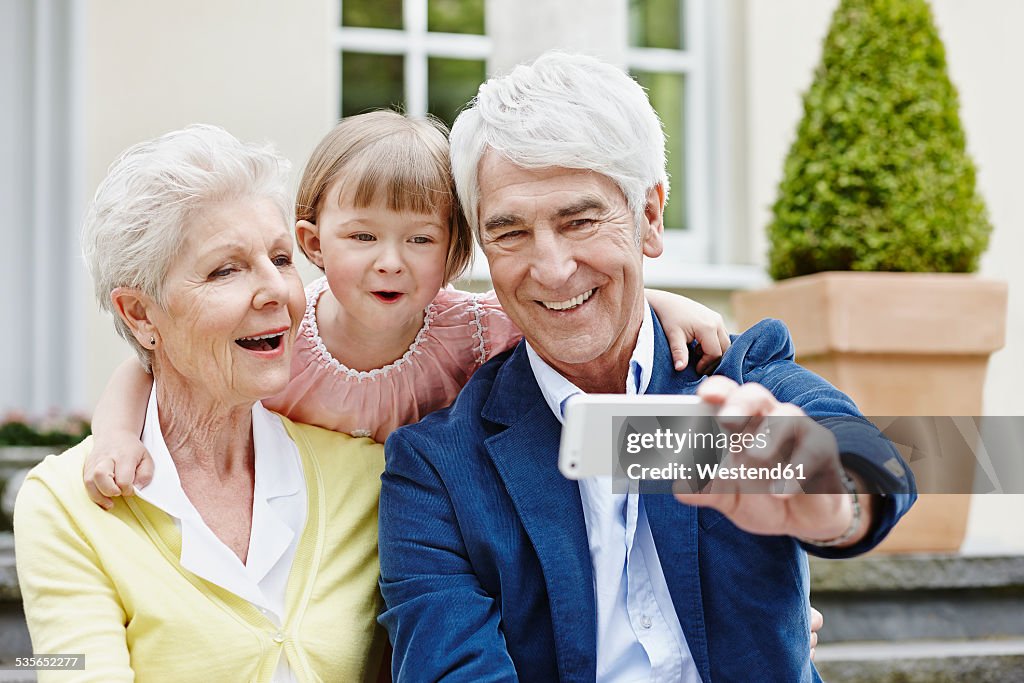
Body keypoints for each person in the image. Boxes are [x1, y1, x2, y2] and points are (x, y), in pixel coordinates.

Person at [377, 51, 917, 682]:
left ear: (650, 218)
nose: (550, 269)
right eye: (510, 233)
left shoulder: (736, 374)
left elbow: (869, 457)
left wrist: (834, 505)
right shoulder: (436, 467)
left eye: (579, 221)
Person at [82, 110, 731, 505]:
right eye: (362, 236)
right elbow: (148, 366)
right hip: (317, 549)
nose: (389, 260)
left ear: (452, 255)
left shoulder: (475, 329)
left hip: (438, 545)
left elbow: (565, 307)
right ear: (313, 244)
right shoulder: (281, 330)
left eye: (418, 239)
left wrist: (654, 303)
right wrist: (113, 435)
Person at [14, 125, 387, 682]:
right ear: (141, 315)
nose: (277, 292)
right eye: (226, 270)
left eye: (282, 259)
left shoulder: (367, 476)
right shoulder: (67, 505)